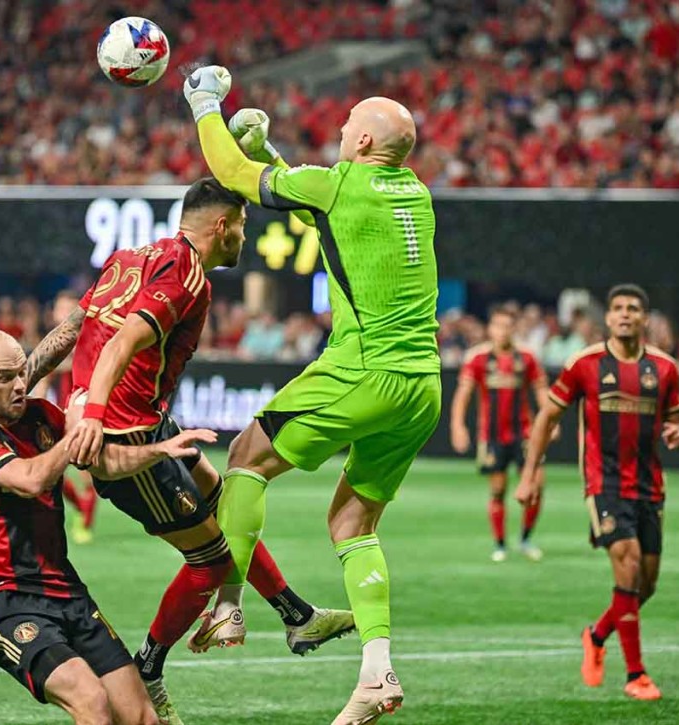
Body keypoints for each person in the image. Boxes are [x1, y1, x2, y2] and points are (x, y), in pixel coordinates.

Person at [29, 178, 354, 725]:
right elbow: (123, 340)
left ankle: (297, 615)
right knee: (212, 563)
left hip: (145, 419)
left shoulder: (131, 257)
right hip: (126, 438)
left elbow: (73, 327)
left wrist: (24, 377)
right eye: (244, 227)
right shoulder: (188, 275)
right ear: (222, 226)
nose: (245, 238)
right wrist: (96, 415)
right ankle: (149, 669)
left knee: (225, 498)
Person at [182, 68, 442, 723]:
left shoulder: (342, 183)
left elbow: (235, 177)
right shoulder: (415, 193)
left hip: (365, 369)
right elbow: (322, 210)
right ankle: (377, 673)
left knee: (246, 455)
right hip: (422, 385)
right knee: (353, 523)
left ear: (357, 139)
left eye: (344, 128)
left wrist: (204, 102)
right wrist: (271, 153)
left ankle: (230, 604)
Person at [0, 328, 214, 725]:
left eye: (21, 373)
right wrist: (76, 432)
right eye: (5, 378)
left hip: (68, 592)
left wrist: (157, 452)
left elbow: (102, 461)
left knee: (142, 718)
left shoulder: (42, 418)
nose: (19, 385)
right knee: (91, 703)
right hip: (5, 599)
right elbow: (31, 479)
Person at [516, 284, 679, 701]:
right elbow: (545, 418)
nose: (625, 315)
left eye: (633, 309)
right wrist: (528, 474)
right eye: (617, 309)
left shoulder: (664, 368)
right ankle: (636, 675)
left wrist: (678, 431)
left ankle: (595, 635)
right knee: (626, 566)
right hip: (604, 484)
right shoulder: (584, 364)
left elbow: (678, 420)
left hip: (650, 487)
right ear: (607, 318)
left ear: (645, 319)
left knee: (645, 586)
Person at [450, 306, 553, 562]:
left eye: (507, 326)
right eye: (497, 326)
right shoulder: (477, 358)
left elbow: (542, 391)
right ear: (490, 329)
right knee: (498, 490)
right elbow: (463, 396)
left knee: (536, 485)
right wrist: (457, 426)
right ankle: (500, 544)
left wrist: (552, 419)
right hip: (493, 435)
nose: (502, 331)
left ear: (514, 329)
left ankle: (526, 538)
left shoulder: (527, 357)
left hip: (526, 434)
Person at [33, 289, 98, 545]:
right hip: (58, 411)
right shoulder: (52, 339)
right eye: (60, 308)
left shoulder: (88, 338)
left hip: (83, 409)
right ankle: (81, 507)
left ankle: (85, 520)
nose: (62, 314)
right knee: (52, 471)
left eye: (67, 308)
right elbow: (44, 375)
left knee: (86, 472)